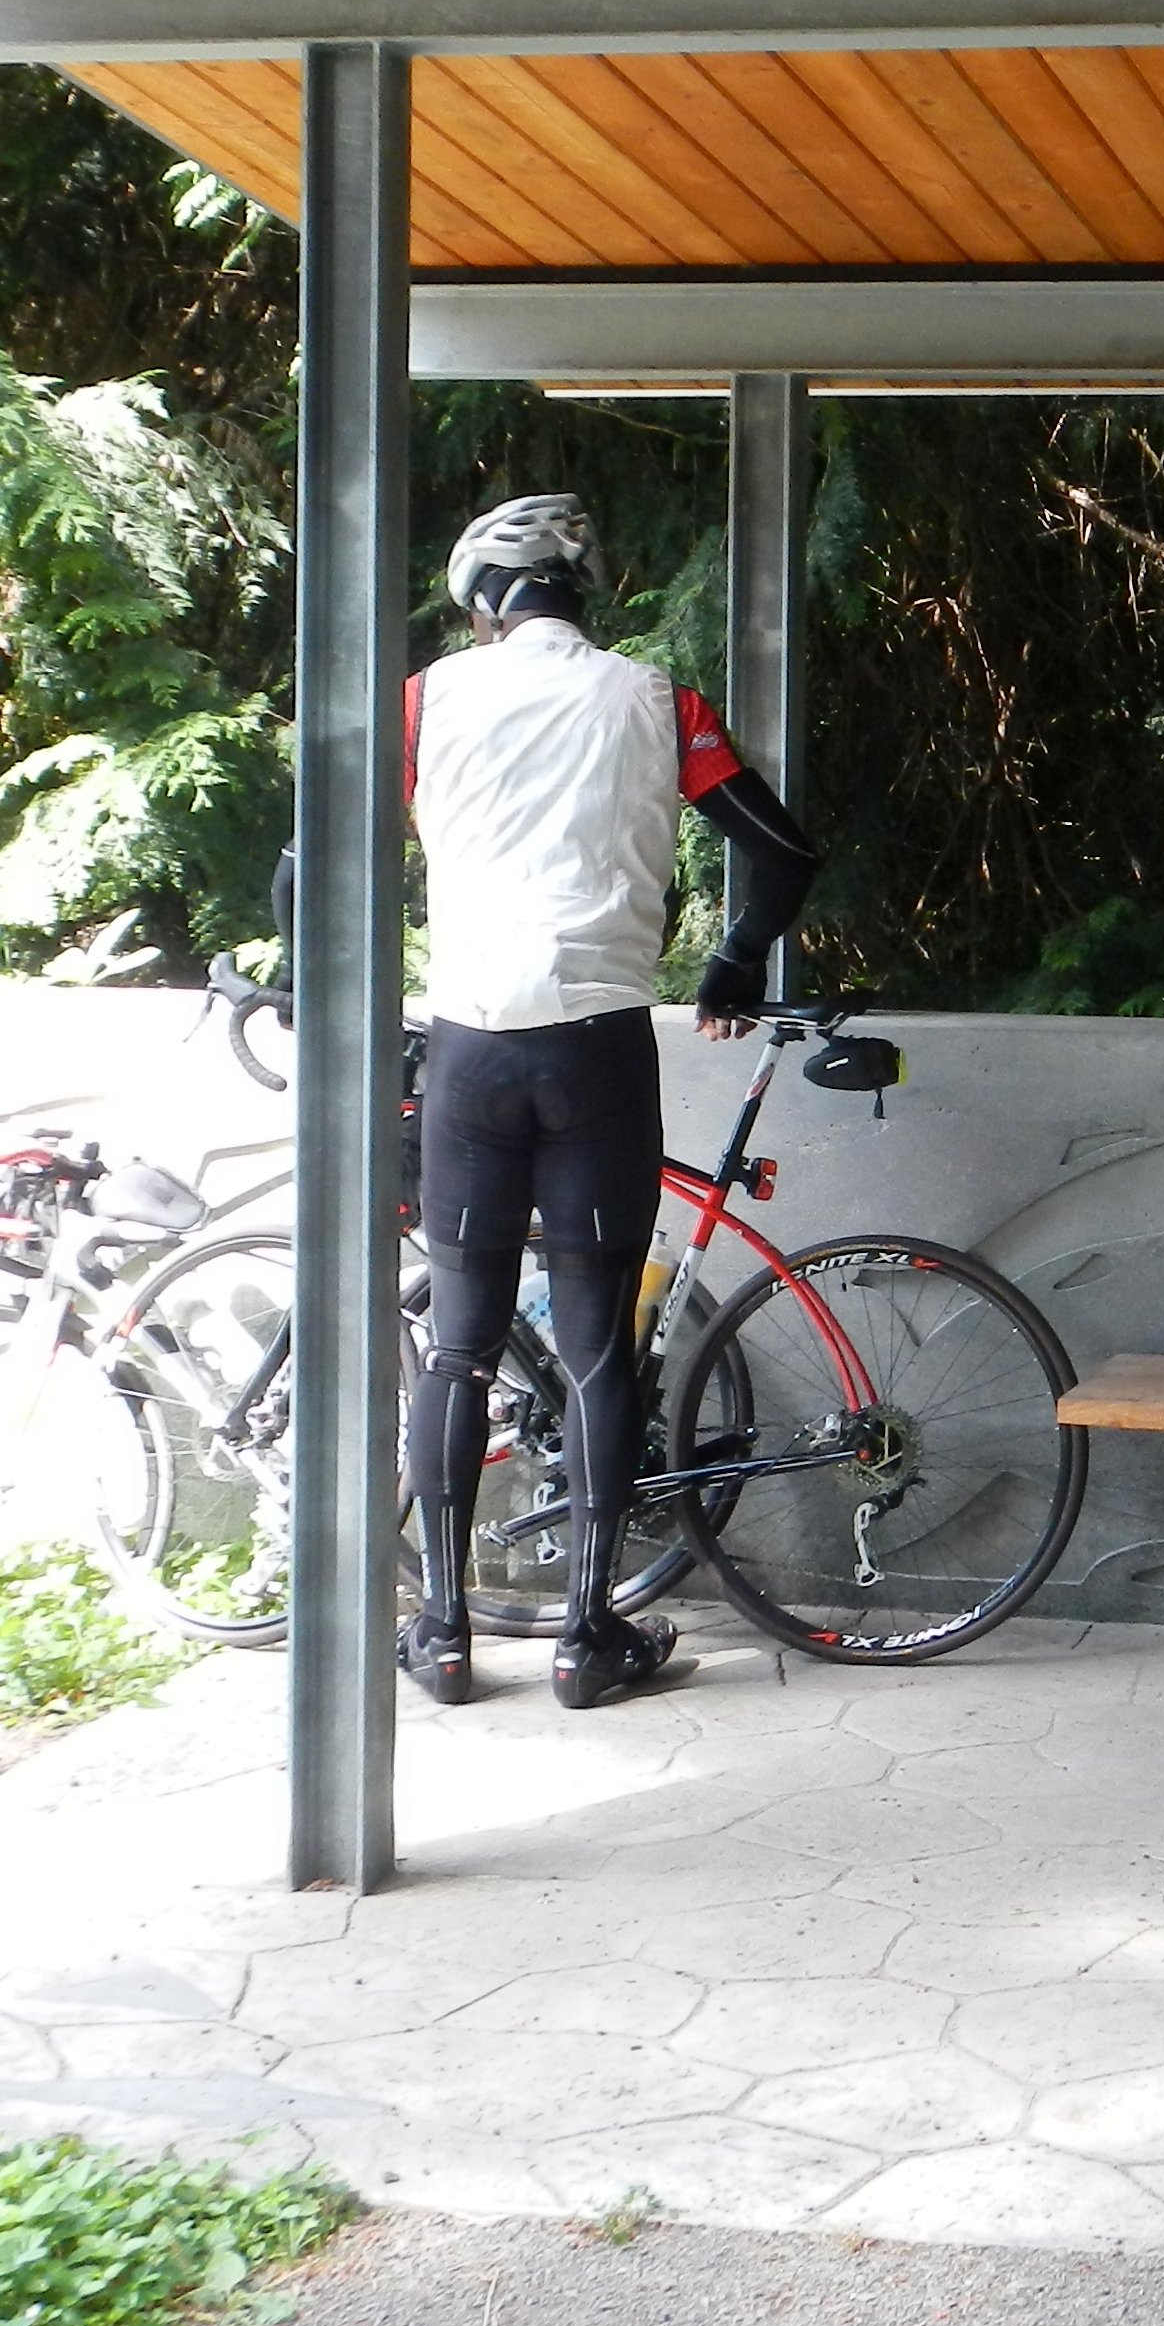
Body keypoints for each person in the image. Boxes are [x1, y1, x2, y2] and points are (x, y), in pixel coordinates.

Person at [400, 492, 820, 1713]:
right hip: (598, 1051)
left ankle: (443, 1633)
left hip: (470, 1047)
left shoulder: (423, 701)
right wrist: (731, 966)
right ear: (579, 592)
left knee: (459, 1345)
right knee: (596, 1350)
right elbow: (784, 853)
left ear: (485, 600)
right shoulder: (658, 702)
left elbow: (311, 863)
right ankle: (589, 1637)